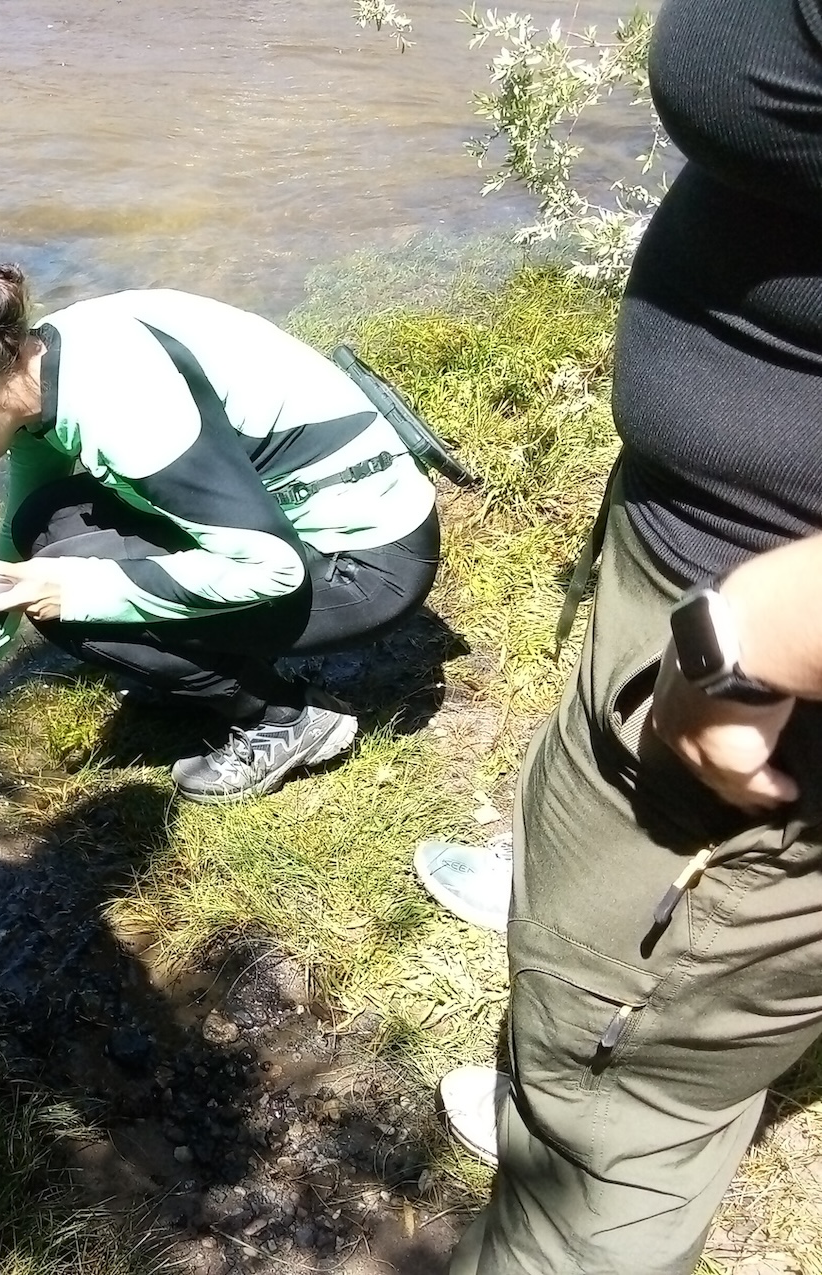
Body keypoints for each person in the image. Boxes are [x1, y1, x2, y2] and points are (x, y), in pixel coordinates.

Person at [442, 0, 822, 1269]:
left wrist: (752, 637)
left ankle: (592, 1118)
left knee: (615, 1113)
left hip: (757, 691)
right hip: (712, 566)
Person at [0, 261, 441, 801]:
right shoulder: (36, 364)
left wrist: (82, 591)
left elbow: (272, 568)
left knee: (72, 605)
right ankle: (199, 670)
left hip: (366, 565)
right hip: (293, 520)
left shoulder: (125, 405)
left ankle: (287, 718)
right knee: (45, 523)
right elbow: (20, 529)